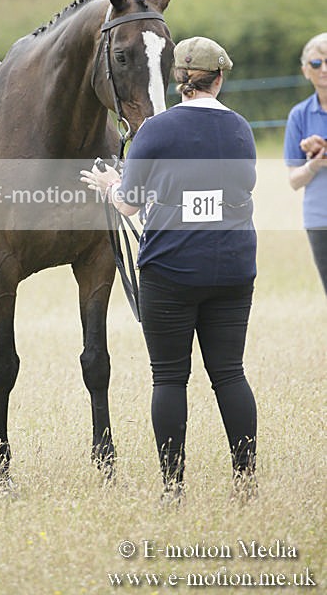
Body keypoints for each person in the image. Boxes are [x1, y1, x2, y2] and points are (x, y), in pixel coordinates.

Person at [81, 36, 258, 502]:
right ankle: (245, 484)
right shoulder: (240, 129)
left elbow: (129, 204)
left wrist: (109, 184)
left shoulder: (154, 131)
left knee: (169, 378)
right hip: (233, 266)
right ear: (219, 79)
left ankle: (173, 489)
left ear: (178, 79)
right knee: (230, 373)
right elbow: (241, 186)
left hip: (170, 270)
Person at [283, 32, 327, 295]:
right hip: (320, 219)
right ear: (305, 70)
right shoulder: (298, 115)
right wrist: (313, 163)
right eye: (316, 63)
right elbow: (294, 180)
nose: (324, 69)